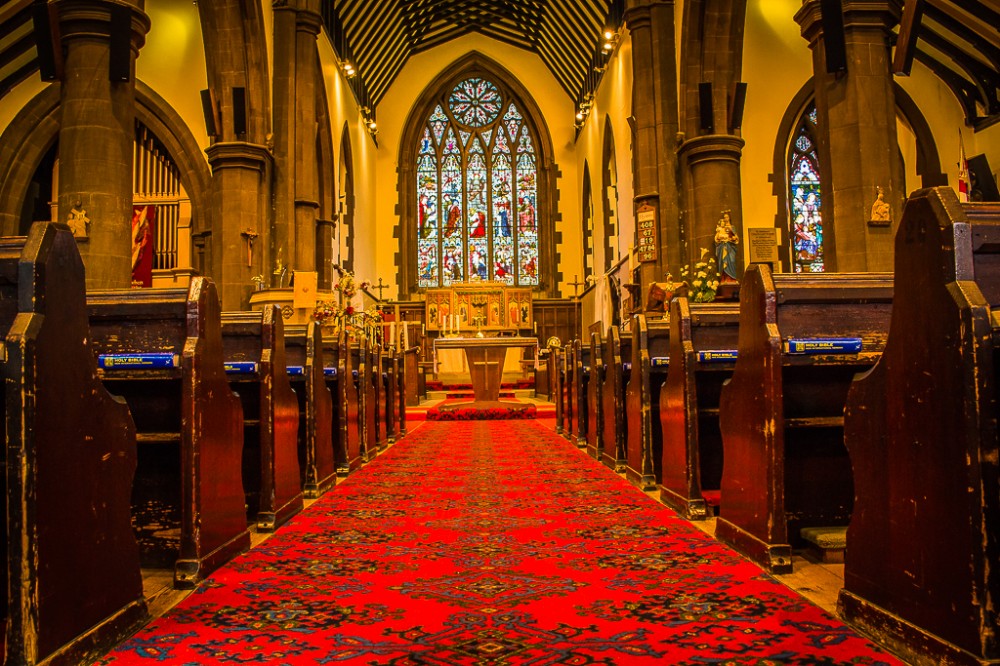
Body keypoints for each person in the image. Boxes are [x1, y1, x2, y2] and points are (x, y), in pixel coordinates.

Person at [714, 211, 740, 282]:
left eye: (727, 217)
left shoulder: (732, 227)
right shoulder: (721, 228)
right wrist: (719, 239)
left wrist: (733, 238)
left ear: (729, 218)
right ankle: (724, 278)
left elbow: (737, 238)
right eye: (724, 217)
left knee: (731, 261)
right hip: (723, 247)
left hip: (730, 248)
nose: (726, 219)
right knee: (723, 262)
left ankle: (731, 278)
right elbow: (716, 239)